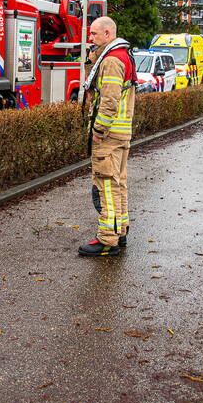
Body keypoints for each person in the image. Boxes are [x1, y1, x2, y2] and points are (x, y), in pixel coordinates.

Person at [78, 16, 136, 257]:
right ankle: (120, 230)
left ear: (108, 34)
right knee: (119, 183)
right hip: (121, 132)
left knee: (107, 186)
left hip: (109, 134)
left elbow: (109, 100)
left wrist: (99, 130)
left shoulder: (111, 60)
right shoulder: (121, 55)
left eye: (94, 34)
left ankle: (107, 240)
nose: (90, 38)